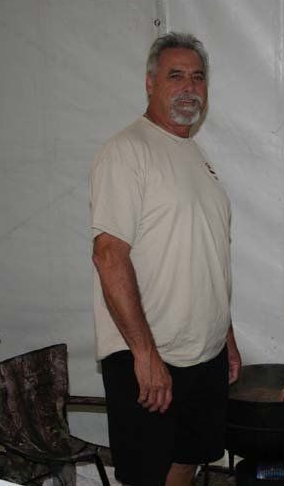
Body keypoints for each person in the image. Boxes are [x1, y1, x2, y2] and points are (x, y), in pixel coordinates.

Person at [90, 32, 241, 486]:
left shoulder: (197, 156)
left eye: (198, 77)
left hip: (203, 352)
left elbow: (206, 253)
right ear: (150, 83)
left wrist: (225, 335)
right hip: (153, 353)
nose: (189, 87)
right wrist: (144, 353)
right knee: (146, 474)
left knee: (189, 458)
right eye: (176, 76)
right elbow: (109, 256)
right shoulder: (126, 151)